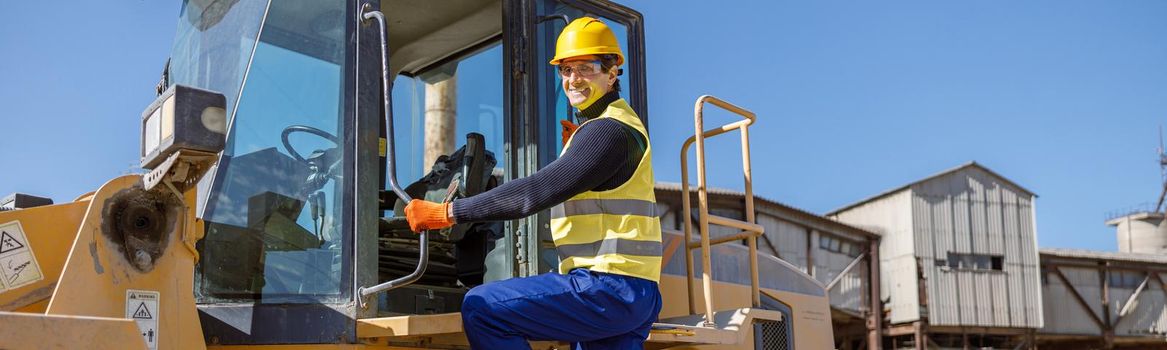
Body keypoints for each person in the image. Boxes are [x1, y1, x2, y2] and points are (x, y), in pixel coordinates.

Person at [404, 16, 662, 350]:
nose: (573, 79)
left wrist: (449, 212)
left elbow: (535, 191)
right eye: (566, 70)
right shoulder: (609, 127)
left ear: (613, 72)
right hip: (629, 291)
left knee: (483, 309)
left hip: (608, 287)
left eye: (586, 67)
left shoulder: (608, 132)